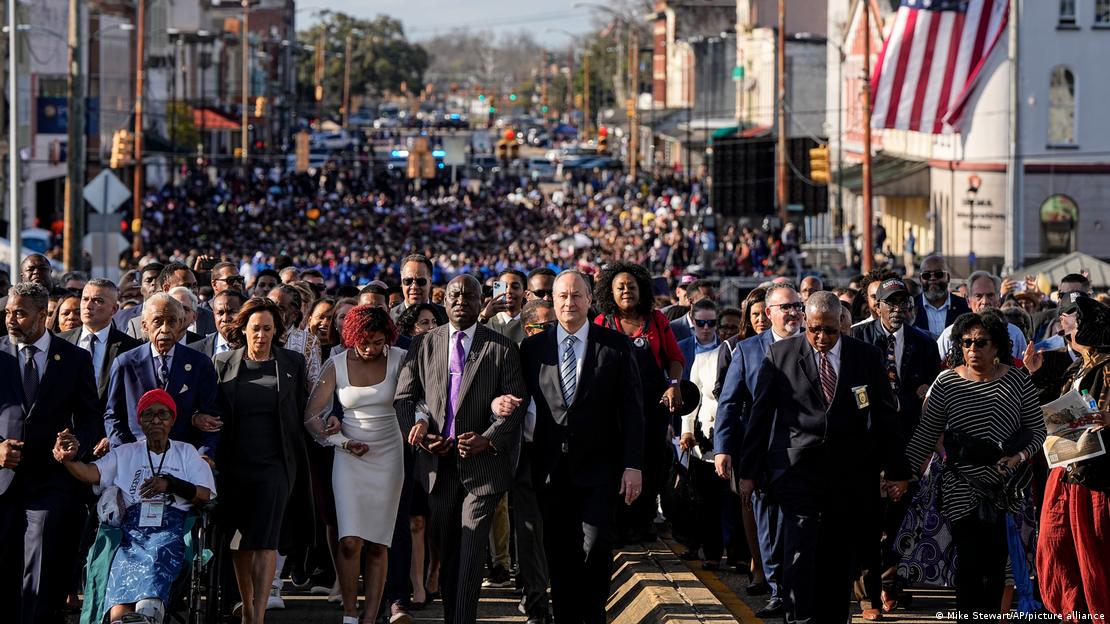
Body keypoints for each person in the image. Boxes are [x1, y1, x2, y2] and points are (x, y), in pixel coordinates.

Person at [735, 291, 908, 623]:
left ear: (841, 323)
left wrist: (897, 470)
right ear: (805, 321)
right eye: (814, 329)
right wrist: (749, 471)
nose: (822, 337)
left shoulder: (865, 356)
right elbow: (760, 417)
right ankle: (798, 618)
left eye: (829, 330)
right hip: (797, 473)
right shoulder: (781, 354)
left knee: (837, 555)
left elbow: (886, 416)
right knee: (799, 552)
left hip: (849, 475)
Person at [512, 270, 644, 624]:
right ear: (553, 301)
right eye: (562, 296)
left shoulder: (615, 345)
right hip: (550, 470)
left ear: (589, 300)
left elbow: (632, 410)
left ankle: (593, 615)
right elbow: (519, 399)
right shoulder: (533, 348)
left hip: (600, 468)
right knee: (559, 553)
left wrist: (633, 465)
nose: (569, 302)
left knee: (596, 547)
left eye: (575, 295)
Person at [394, 275, 526, 624]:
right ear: (445, 300)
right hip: (438, 467)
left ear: (481, 301)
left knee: (470, 549)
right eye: (454, 295)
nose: (461, 302)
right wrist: (421, 436)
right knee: (449, 552)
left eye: (469, 296)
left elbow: (516, 405)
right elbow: (404, 399)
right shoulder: (424, 344)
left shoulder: (501, 347)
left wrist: (489, 438)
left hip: (482, 466)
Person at [905, 310, 1045, 617]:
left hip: (1005, 490)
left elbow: (1038, 430)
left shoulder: (1018, 380)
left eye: (981, 342)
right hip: (960, 487)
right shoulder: (946, 382)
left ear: (996, 346)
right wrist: (901, 476)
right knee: (968, 568)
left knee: (995, 570)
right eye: (966, 342)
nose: (972, 348)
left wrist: (1019, 456)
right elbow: (925, 434)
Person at [52, 389, 215, 624]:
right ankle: (122, 620)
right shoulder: (126, 452)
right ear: (140, 421)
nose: (156, 420)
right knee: (121, 561)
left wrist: (171, 484)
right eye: (148, 415)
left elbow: (204, 494)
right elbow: (89, 473)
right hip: (131, 531)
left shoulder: (186, 452)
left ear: (172, 419)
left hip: (170, 527)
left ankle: (148, 614)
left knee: (158, 551)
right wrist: (69, 459)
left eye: (162, 414)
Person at [0, 282, 100, 624]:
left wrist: (75, 443)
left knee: (40, 556)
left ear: (43, 314)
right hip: (3, 479)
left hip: (50, 480)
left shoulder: (74, 358)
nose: (11, 320)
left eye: (20, 313)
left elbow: (90, 417)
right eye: (8, 312)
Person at [304, 305, 406, 624]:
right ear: (351, 337)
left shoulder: (401, 359)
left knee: (378, 541)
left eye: (378, 342)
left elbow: (418, 401)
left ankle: (370, 616)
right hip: (348, 455)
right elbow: (311, 416)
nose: (371, 349)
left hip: (389, 454)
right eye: (364, 342)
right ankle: (349, 612)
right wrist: (341, 441)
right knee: (349, 541)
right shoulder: (336, 363)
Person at [214, 297, 313, 624]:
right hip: (234, 466)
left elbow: (302, 410)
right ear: (243, 329)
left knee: (266, 541)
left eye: (268, 329)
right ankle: (247, 606)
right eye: (255, 328)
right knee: (240, 543)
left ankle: (257, 616)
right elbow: (213, 410)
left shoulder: (293, 363)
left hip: (276, 465)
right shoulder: (223, 363)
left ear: (276, 330)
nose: (261, 335)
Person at [850, 278, 942, 616]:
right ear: (877, 306)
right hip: (866, 443)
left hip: (908, 445)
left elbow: (933, 399)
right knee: (866, 522)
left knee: (900, 522)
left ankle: (889, 584)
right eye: (891, 303)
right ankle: (868, 597)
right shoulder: (858, 338)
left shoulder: (924, 343)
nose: (898, 309)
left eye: (904, 302)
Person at [713, 283, 805, 616]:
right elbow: (730, 401)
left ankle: (800, 591)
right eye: (785, 307)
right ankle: (778, 589)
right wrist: (722, 448)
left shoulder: (814, 345)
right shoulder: (749, 350)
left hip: (805, 453)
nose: (793, 313)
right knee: (769, 528)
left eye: (797, 306)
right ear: (768, 313)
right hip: (762, 452)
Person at [1029, 295, 1110, 618]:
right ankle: (1074, 612)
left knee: (1096, 554)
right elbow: (1050, 406)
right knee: (1056, 546)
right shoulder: (1077, 366)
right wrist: (1036, 373)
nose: (1065, 328)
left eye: (1072, 321)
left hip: (1098, 479)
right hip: (1066, 471)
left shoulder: (1107, 366)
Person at [592, 262, 684, 542]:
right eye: (620, 287)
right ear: (610, 292)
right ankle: (618, 524)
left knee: (652, 463)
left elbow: (675, 358)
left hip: (652, 406)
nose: (626, 291)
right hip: (614, 408)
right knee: (616, 462)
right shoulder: (601, 322)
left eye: (631, 286)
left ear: (641, 289)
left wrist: (674, 385)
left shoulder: (656, 320)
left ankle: (643, 522)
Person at [103, 293, 221, 460]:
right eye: (158, 321)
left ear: (181, 324)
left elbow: (211, 418)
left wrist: (204, 456)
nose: (165, 329)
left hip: (183, 459)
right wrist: (122, 454)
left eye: (172, 321)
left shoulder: (199, 363)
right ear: (145, 325)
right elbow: (113, 416)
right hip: (137, 457)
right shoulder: (125, 363)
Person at [677, 299, 728, 570]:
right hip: (702, 438)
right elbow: (690, 400)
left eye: (711, 323)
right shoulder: (691, 353)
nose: (706, 328)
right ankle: (708, 551)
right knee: (703, 497)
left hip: (729, 433)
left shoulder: (729, 350)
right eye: (701, 323)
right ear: (692, 322)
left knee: (726, 499)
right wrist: (686, 431)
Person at [57, 279, 144, 406]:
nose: (88, 306)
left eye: (98, 301)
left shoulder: (131, 348)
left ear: (114, 309)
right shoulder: (59, 342)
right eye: (85, 299)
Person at [937, 272, 1028, 361]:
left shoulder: (1015, 334)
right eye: (978, 296)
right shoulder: (950, 334)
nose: (985, 301)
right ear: (968, 301)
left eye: (990, 295)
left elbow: (1023, 367)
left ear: (998, 299)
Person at [268, 284, 323, 388]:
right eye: (268, 306)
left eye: (280, 308)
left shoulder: (309, 341)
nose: (271, 312)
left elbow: (314, 384)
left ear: (294, 315)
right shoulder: (256, 334)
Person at [913, 255, 971, 339]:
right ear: (920, 279)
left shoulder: (964, 306)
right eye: (926, 275)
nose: (932, 278)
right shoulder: (911, 307)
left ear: (948, 277)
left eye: (938, 274)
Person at [189, 289, 246, 359]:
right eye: (220, 313)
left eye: (232, 312)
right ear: (214, 315)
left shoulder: (253, 346)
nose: (225, 318)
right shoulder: (194, 351)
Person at [113, 262, 164, 332]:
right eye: (148, 280)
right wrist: (119, 289)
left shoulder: (177, 314)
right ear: (141, 288)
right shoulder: (121, 317)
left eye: (159, 280)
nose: (154, 283)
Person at [390, 254, 438, 322]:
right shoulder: (389, 317)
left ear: (430, 282)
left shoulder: (445, 315)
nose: (414, 287)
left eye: (420, 281)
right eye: (408, 281)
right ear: (401, 282)